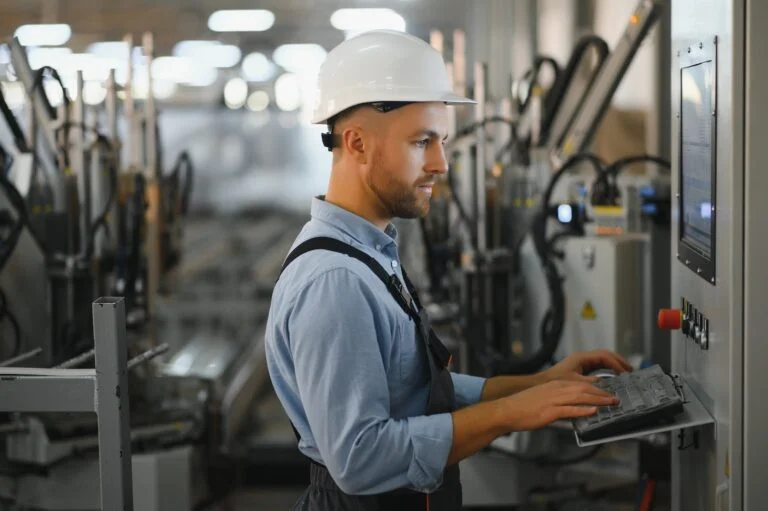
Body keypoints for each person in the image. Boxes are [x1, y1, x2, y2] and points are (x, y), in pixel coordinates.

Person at [264, 30, 632, 511]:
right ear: (356, 143)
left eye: (442, 141)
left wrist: (536, 385)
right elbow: (361, 458)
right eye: (422, 142)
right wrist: (507, 414)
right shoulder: (336, 282)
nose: (440, 164)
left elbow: (411, 386)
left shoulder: (371, 253)